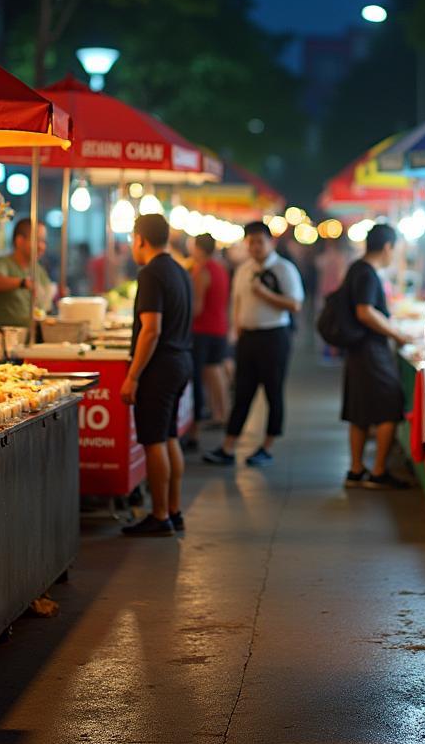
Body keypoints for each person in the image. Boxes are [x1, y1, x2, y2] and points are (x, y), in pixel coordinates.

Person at [202, 220, 304, 467]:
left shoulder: (284, 269)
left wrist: (265, 294)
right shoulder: (243, 270)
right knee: (242, 392)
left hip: (274, 336)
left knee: (273, 391)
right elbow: (236, 303)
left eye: (260, 242)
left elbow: (295, 304)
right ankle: (228, 447)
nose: (256, 247)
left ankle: (267, 446)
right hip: (247, 337)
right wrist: (235, 331)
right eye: (251, 242)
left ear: (271, 242)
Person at [119, 213, 193, 537]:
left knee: (154, 442)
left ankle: (160, 515)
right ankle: (174, 510)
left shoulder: (150, 273)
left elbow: (151, 330)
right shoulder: (180, 269)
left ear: (140, 239)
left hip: (159, 368)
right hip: (180, 361)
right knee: (170, 437)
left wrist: (133, 375)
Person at [341, 223, 412, 490]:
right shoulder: (368, 273)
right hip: (370, 349)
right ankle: (379, 471)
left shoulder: (357, 268)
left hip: (358, 350)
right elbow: (365, 311)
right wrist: (396, 334)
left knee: (359, 410)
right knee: (390, 406)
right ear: (387, 247)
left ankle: (356, 470)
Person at [189, 233, 230, 439]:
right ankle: (220, 414)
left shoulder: (202, 271)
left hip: (203, 329)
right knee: (215, 370)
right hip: (219, 327)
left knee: (200, 376)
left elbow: (197, 306)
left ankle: (197, 423)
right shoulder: (220, 269)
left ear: (198, 248)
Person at [0, 218, 52, 333]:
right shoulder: (3, 262)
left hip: (32, 335)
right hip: (5, 338)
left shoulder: (38, 270)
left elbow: (47, 299)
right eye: (37, 240)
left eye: (44, 242)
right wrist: (22, 282)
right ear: (19, 241)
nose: (42, 246)